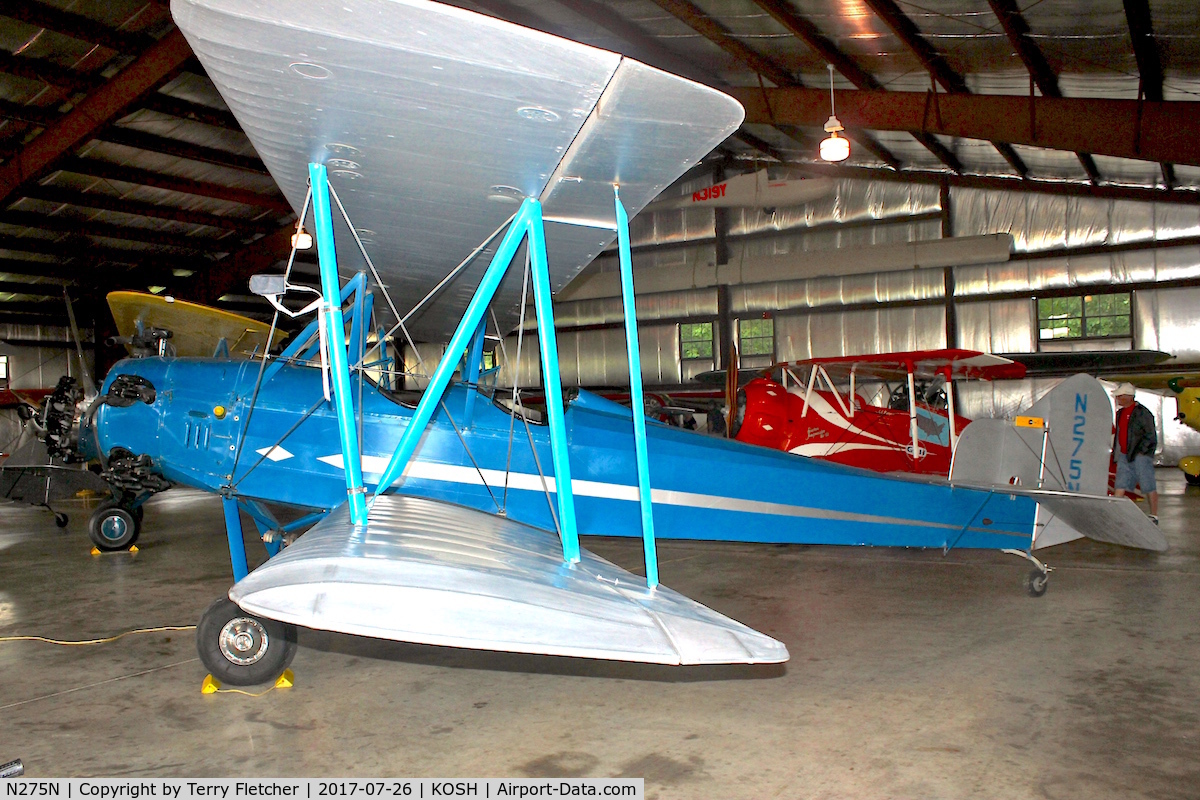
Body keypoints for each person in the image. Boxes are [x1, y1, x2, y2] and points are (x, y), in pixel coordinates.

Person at [1112, 382, 1159, 523]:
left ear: (1128, 397)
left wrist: (1142, 452)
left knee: (1148, 484)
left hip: (1139, 455)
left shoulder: (1142, 413)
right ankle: (1115, 514)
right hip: (1125, 454)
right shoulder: (1120, 413)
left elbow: (1150, 435)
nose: (1117, 399)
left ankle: (1154, 515)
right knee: (1120, 484)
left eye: (1119, 396)